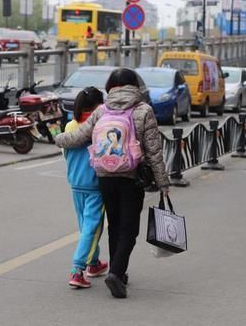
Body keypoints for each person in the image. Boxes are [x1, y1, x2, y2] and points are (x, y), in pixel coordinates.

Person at [56, 68, 170, 298]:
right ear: (135, 85)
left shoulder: (102, 110)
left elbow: (79, 136)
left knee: (115, 225)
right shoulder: (143, 110)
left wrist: (57, 138)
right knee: (129, 227)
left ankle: (120, 272)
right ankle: (116, 273)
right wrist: (163, 183)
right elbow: (154, 149)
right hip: (132, 176)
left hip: (105, 175)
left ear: (110, 87)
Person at [64, 86, 108, 289]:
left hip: (75, 183)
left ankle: (94, 263)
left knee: (86, 227)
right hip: (95, 185)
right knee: (92, 228)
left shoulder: (70, 126)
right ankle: (77, 269)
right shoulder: (99, 125)